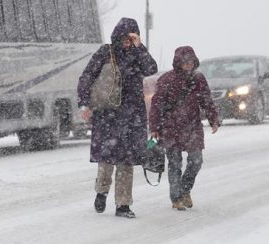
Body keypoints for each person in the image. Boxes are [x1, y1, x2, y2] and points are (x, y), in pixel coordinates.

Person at [77, 18, 158, 218]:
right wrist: (84, 103)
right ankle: (101, 191)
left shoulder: (138, 54)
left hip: (132, 116)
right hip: (108, 114)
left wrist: (140, 48)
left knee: (126, 161)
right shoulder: (105, 52)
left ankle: (123, 205)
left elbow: (151, 69)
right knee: (106, 159)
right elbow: (86, 77)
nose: (128, 42)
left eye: (132, 38)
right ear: (117, 36)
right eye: (125, 38)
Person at [149, 46, 219, 211]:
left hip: (192, 127)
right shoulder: (167, 79)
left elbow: (207, 101)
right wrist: (154, 128)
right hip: (170, 128)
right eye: (185, 61)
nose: (188, 64)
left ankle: (185, 189)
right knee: (174, 164)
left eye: (191, 61)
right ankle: (176, 198)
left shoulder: (199, 79)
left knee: (196, 161)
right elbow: (156, 105)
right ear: (178, 62)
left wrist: (214, 119)